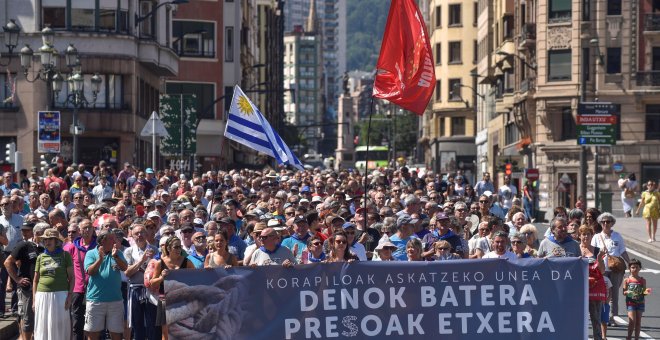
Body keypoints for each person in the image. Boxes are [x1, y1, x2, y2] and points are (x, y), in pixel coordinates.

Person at [83, 229, 129, 340]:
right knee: (93, 334)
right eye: (111, 238)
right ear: (102, 241)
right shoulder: (91, 253)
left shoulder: (117, 253)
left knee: (116, 334)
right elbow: (90, 272)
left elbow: (125, 268)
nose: (114, 241)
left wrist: (116, 257)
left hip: (115, 301)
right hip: (95, 300)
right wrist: (100, 259)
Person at [3, 221, 45, 340]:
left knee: (39, 318)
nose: (23, 232)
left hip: (43, 288)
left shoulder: (45, 246)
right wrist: (17, 279)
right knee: (27, 318)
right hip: (27, 288)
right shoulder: (23, 245)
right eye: (22, 230)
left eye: (26, 230)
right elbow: (7, 262)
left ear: (34, 231)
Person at [33, 228, 74, 340]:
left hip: (61, 294)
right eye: (45, 239)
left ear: (57, 241)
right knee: (42, 325)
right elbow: (35, 280)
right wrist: (34, 300)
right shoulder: (40, 257)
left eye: (50, 239)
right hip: (42, 295)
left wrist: (70, 296)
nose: (47, 241)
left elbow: (71, 277)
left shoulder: (65, 255)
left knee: (59, 325)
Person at [591, 212, 631, 325]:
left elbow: (622, 250)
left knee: (614, 294)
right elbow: (593, 253)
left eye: (608, 221)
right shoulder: (596, 237)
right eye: (603, 222)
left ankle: (613, 317)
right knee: (603, 293)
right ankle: (602, 316)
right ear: (600, 223)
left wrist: (629, 262)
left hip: (616, 269)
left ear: (612, 223)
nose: (605, 224)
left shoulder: (617, 236)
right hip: (602, 269)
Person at [123, 224, 158, 340]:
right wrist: (142, 261)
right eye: (136, 233)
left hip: (151, 289)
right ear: (132, 236)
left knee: (152, 322)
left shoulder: (154, 249)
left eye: (142, 232)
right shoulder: (128, 251)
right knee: (137, 323)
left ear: (146, 234)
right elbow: (127, 273)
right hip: (135, 289)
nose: (139, 235)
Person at [0, 195, 24, 317]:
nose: (4, 206)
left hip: (16, 254)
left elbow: (24, 236)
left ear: (12, 205)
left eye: (7, 204)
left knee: (15, 281)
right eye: (2, 204)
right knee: (1, 282)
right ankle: (1, 310)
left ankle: (14, 308)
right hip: (2, 254)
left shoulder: (20, 219)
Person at [623, 259, 648, 340]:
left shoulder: (643, 280)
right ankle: (629, 337)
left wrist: (646, 292)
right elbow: (624, 292)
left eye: (637, 267)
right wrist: (630, 293)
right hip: (631, 302)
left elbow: (645, 292)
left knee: (638, 322)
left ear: (640, 268)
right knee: (632, 321)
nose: (635, 269)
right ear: (629, 268)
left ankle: (636, 338)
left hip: (640, 302)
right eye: (633, 267)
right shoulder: (627, 280)